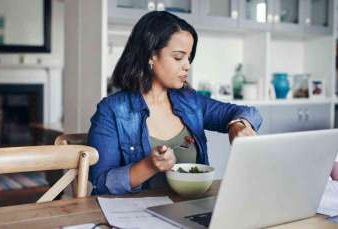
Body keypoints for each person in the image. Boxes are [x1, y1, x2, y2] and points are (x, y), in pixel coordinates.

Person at [88, 11, 262, 195]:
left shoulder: (191, 102)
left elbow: (247, 112)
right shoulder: (112, 111)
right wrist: (149, 165)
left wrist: (237, 124)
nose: (187, 65)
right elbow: (101, 184)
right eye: (178, 57)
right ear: (151, 55)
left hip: (191, 210)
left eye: (189, 57)